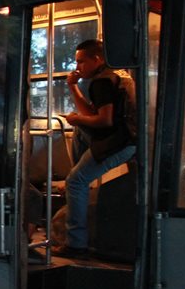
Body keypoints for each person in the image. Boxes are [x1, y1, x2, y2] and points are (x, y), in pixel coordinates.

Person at [56, 40, 136, 257]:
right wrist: (73, 87)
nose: (78, 67)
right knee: (81, 131)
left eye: (81, 61)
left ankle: (75, 244)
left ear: (96, 59)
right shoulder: (117, 75)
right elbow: (92, 114)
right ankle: (82, 179)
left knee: (74, 181)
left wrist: (75, 119)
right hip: (129, 139)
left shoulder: (101, 82)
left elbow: (104, 121)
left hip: (118, 143)